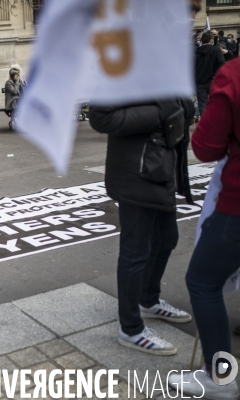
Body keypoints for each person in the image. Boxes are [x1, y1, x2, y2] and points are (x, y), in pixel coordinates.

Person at [89, 97, 196, 356]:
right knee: (135, 251)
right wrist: (162, 112)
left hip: (160, 168)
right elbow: (100, 117)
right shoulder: (124, 65)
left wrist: (182, 105)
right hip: (135, 172)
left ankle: (148, 300)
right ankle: (131, 328)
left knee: (167, 238)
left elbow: (181, 107)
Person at [167, 57, 240, 400]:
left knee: (203, 281)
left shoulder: (234, 75)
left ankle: (220, 377)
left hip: (236, 208)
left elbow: (206, 147)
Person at [195, 31, 225, 116]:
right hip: (213, 81)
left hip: (199, 81)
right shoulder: (216, 50)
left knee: (202, 104)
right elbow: (222, 63)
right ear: (211, 40)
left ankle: (206, 125)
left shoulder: (195, 51)